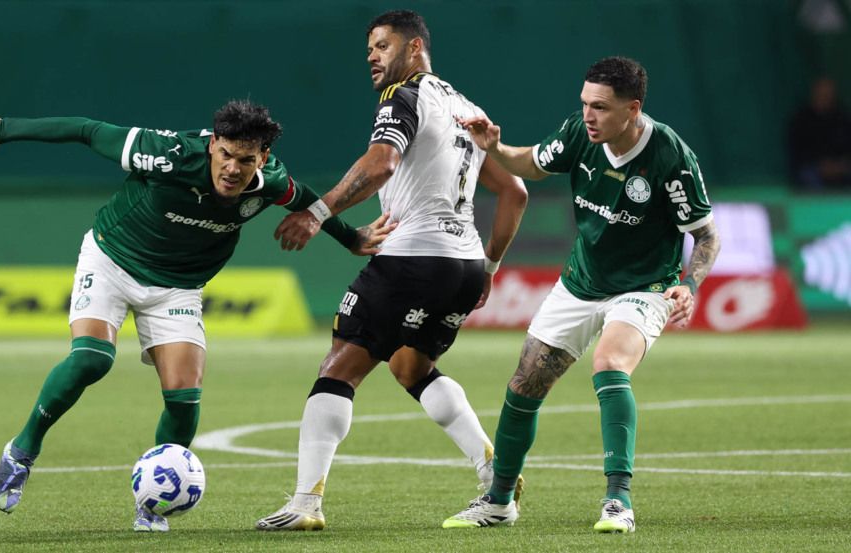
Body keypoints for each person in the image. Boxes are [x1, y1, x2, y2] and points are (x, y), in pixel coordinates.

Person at [0, 100, 393, 532]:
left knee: (184, 396)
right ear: (212, 146)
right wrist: (3, 128)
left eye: (246, 160)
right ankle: (21, 451)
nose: (232, 169)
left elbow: (303, 198)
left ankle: (152, 505)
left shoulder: (269, 181)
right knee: (93, 359)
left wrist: (351, 237)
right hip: (112, 260)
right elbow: (87, 129)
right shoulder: (168, 154)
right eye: (225, 154)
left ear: (261, 158)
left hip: (177, 287)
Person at [255, 10, 529, 531]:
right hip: (464, 263)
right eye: (369, 50)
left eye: (382, 46)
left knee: (338, 368)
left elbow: (381, 162)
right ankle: (495, 474)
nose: (372, 57)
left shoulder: (403, 96)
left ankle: (305, 504)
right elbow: (514, 192)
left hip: (412, 258)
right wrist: (489, 267)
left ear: (414, 48)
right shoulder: (467, 109)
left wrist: (316, 213)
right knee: (410, 366)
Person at [442, 56, 721, 532]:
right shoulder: (580, 132)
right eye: (585, 104)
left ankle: (618, 503)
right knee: (524, 384)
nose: (589, 115)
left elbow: (707, 236)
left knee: (610, 362)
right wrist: (495, 147)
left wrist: (688, 284)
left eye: (601, 107)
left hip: (644, 286)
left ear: (632, 109)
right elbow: (531, 163)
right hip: (580, 282)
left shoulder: (670, 156)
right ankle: (499, 502)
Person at [787, 76, 851, 189]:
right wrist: (821, 165)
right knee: (808, 175)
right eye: (822, 92)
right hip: (813, 168)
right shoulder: (801, 119)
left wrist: (839, 165)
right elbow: (798, 152)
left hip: (840, 167)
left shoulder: (842, 118)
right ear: (814, 92)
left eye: (829, 92)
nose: (826, 96)